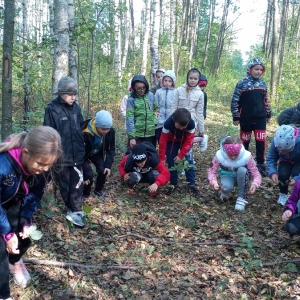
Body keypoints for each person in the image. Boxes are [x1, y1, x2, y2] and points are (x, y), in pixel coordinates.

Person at [0, 126, 62, 298]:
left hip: (11, 203)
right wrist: (6, 234)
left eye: (49, 165)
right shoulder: (3, 165)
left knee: (23, 236)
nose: (44, 169)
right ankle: (3, 294)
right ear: (26, 152)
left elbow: (35, 193)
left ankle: (14, 261)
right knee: (0, 254)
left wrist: (26, 219)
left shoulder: (41, 169)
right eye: (41, 164)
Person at [43, 76, 86, 228]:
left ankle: (75, 211)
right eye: (69, 94)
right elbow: (48, 133)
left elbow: (81, 128)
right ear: (61, 93)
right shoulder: (52, 109)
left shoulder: (76, 108)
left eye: (74, 94)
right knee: (65, 184)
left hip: (78, 155)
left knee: (78, 183)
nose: (73, 97)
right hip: (61, 156)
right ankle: (71, 209)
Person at [231, 57, 272, 177]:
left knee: (261, 141)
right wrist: (236, 116)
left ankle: (260, 164)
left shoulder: (263, 84)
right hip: (246, 118)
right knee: (245, 141)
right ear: (250, 69)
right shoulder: (242, 83)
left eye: (260, 69)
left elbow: (266, 100)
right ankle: (244, 163)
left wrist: (268, 113)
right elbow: (235, 100)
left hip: (260, 118)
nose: (258, 72)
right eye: (256, 69)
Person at [207, 136, 261, 210]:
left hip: (243, 177)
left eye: (236, 155)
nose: (233, 157)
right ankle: (225, 192)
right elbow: (212, 171)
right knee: (226, 187)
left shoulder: (246, 156)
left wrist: (255, 183)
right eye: (230, 155)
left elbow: (255, 172)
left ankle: (242, 197)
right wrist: (214, 182)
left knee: (242, 170)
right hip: (227, 175)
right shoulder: (219, 156)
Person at [159, 108, 199, 196]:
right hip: (171, 141)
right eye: (178, 126)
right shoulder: (168, 123)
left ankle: (191, 184)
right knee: (171, 160)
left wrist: (181, 155)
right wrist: (162, 157)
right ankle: (173, 183)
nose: (181, 129)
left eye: (183, 127)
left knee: (189, 160)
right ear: (174, 120)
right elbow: (162, 141)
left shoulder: (191, 124)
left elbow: (189, 141)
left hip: (184, 142)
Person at [82, 110, 115, 200]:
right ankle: (85, 193)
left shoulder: (110, 131)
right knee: (88, 175)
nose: (105, 131)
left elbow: (111, 148)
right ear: (97, 126)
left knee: (103, 170)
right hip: (84, 155)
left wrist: (108, 165)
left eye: (108, 129)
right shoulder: (85, 133)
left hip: (97, 153)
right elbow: (79, 153)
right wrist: (84, 173)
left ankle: (98, 190)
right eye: (103, 129)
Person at [266, 124, 300, 206]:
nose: (280, 152)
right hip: (285, 160)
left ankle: (297, 196)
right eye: (279, 150)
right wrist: (273, 171)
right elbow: (271, 157)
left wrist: (297, 178)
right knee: (282, 175)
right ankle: (283, 194)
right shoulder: (277, 139)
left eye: (284, 150)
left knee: (297, 175)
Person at [126, 75, 157, 149]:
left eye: (144, 87)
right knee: (135, 156)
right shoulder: (131, 99)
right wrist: (132, 137)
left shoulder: (151, 96)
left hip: (150, 133)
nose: (142, 90)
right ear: (134, 88)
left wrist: (155, 122)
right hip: (137, 134)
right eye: (139, 88)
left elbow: (155, 110)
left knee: (150, 156)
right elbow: (129, 118)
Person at [154, 70, 176, 144]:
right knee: (160, 139)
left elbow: (176, 106)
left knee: (169, 139)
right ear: (162, 81)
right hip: (160, 120)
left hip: (171, 119)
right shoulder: (158, 92)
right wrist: (155, 118)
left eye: (169, 81)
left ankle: (168, 153)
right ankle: (161, 153)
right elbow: (155, 106)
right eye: (165, 80)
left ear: (173, 82)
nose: (167, 82)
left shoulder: (176, 92)